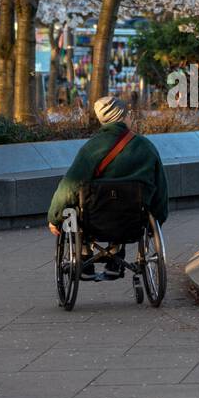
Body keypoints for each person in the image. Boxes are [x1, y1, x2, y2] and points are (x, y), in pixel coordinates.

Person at [47, 95, 168, 274]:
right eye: (128, 114)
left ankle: (85, 253)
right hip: (133, 219)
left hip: (94, 219)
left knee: (80, 205)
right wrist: (158, 218)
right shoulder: (146, 146)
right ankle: (115, 255)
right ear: (123, 116)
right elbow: (160, 187)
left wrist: (54, 217)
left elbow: (70, 185)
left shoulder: (91, 148)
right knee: (125, 202)